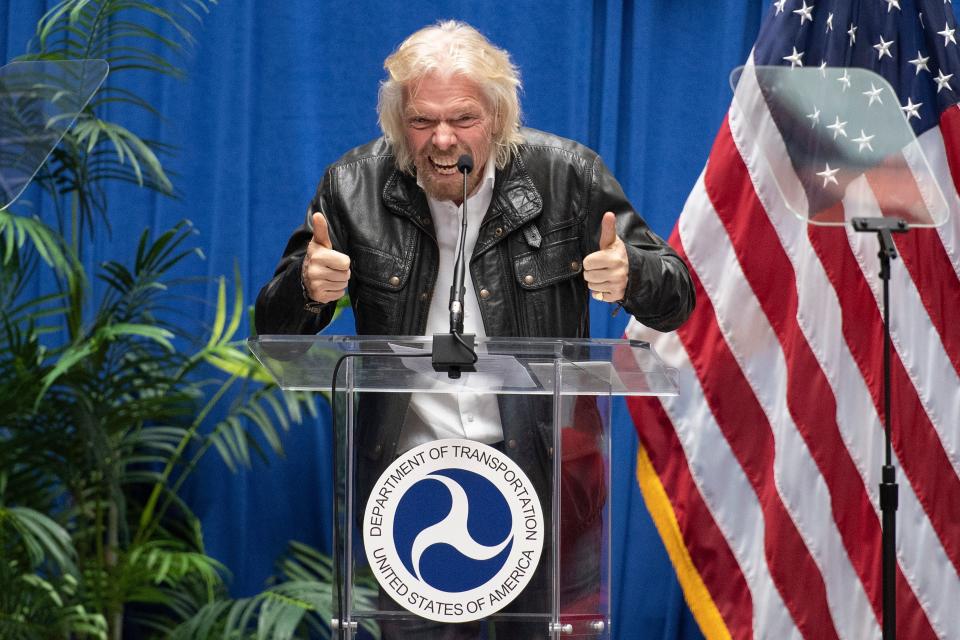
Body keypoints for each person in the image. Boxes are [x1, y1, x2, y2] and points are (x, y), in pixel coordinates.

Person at [256, 20, 694, 640]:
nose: (441, 140)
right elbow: (277, 334)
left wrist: (632, 276)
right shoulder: (352, 186)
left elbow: (678, 296)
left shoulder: (567, 175)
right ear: (396, 121)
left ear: (498, 114)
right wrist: (307, 287)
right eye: (421, 121)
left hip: (548, 483)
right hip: (414, 491)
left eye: (462, 119)